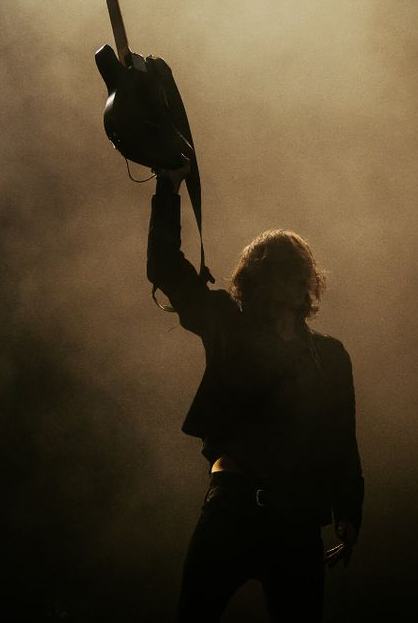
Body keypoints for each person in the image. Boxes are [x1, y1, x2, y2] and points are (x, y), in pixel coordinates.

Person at [146, 163, 364, 622]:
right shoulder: (228, 324)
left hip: (297, 519)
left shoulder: (330, 355)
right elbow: (166, 266)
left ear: (308, 283)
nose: (287, 283)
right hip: (233, 506)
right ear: (254, 279)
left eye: (295, 273)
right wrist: (167, 185)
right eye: (276, 272)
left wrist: (349, 509)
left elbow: (343, 437)